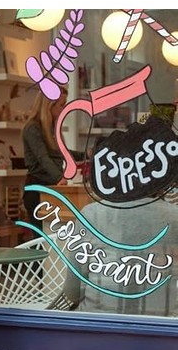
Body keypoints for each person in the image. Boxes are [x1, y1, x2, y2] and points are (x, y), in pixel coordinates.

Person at [60, 196, 178, 317]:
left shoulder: (91, 214)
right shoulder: (174, 215)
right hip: (164, 324)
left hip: (97, 322)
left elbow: (72, 292)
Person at [22, 86, 82, 227]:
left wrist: (87, 154)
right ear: (49, 105)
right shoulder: (33, 128)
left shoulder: (51, 129)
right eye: (61, 105)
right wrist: (59, 178)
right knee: (42, 234)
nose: (64, 109)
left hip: (50, 189)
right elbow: (43, 157)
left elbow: (63, 152)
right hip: (37, 191)